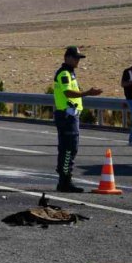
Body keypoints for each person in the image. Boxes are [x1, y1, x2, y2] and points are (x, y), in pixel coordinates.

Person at [52, 46, 102, 192]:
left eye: (79, 58)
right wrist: (87, 93)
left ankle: (64, 181)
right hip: (67, 116)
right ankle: (65, 181)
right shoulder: (64, 74)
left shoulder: (70, 73)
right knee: (69, 148)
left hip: (70, 115)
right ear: (67, 58)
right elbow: (68, 92)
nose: (78, 61)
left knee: (68, 148)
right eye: (75, 58)